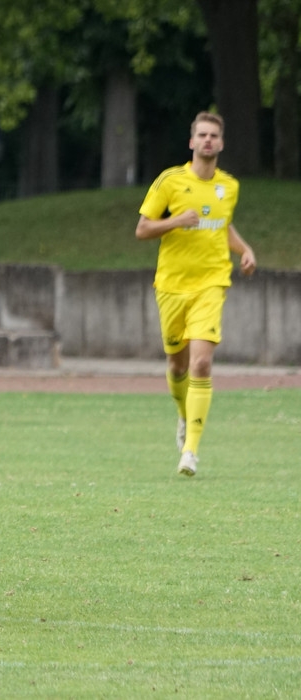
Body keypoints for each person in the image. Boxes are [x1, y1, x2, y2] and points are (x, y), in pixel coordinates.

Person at [135, 111, 256, 477]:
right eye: (202, 135)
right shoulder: (170, 181)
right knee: (177, 366)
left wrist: (244, 250)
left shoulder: (229, 186)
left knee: (201, 364)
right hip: (172, 286)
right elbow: (142, 229)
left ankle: (190, 452)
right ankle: (184, 415)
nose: (207, 140)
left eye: (213, 136)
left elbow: (222, 225)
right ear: (191, 142)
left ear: (221, 143)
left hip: (211, 283)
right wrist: (176, 221)